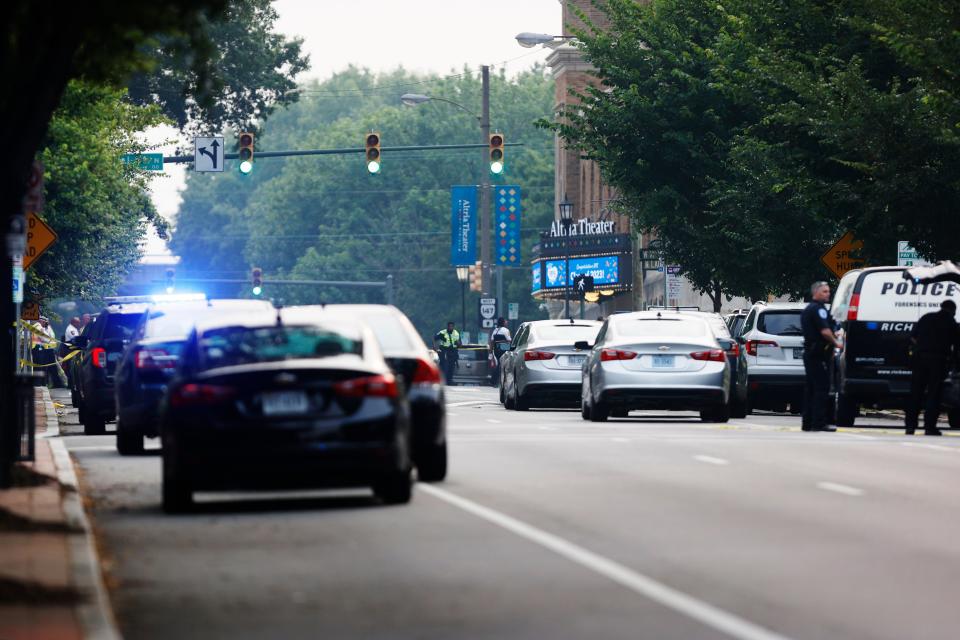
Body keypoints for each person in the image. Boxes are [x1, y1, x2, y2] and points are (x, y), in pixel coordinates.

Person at [905, 300, 959, 436]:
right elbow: (956, 345)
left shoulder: (926, 317)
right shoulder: (951, 323)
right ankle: (929, 427)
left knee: (915, 393)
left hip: (920, 360)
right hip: (938, 361)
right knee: (933, 394)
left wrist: (920, 347)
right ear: (953, 310)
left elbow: (912, 337)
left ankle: (910, 426)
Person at [801, 281, 841, 432]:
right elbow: (825, 332)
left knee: (811, 388)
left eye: (828, 291)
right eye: (824, 291)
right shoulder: (818, 309)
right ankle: (818, 422)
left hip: (812, 353)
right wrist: (836, 343)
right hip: (818, 354)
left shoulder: (810, 309)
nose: (828, 294)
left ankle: (808, 422)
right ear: (816, 293)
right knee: (821, 388)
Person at [488, 318, 512, 386]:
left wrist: (490, 352)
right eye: (505, 321)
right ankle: (494, 380)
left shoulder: (495, 330)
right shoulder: (506, 330)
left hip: (496, 351)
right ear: (503, 322)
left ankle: (495, 381)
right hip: (504, 350)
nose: (506, 322)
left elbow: (492, 342)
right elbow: (509, 340)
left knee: (500, 365)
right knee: (502, 366)